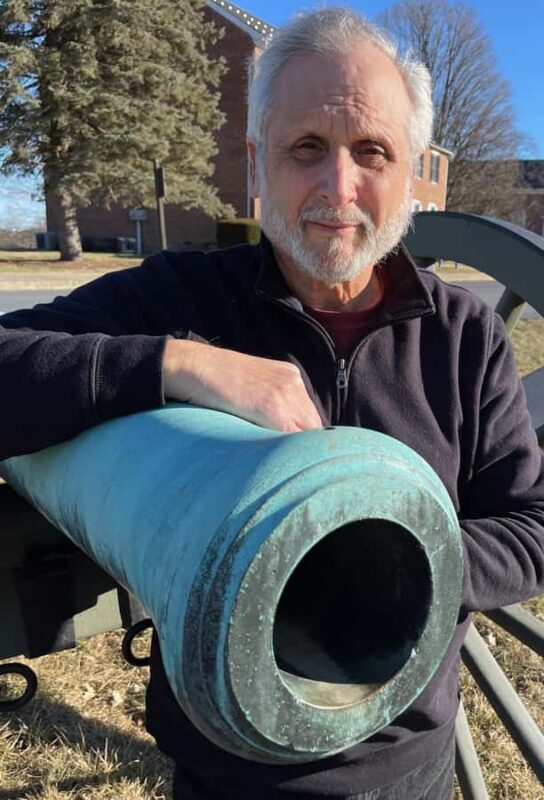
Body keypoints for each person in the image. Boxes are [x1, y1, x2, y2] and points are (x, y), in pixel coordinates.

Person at [1, 7, 543, 799]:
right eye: (307, 148)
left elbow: (532, 527)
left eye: (372, 152)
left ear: (410, 174)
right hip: (228, 773)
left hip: (407, 766)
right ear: (258, 164)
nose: (338, 187)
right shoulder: (183, 300)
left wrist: (391, 565)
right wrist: (185, 364)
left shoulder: (465, 338)